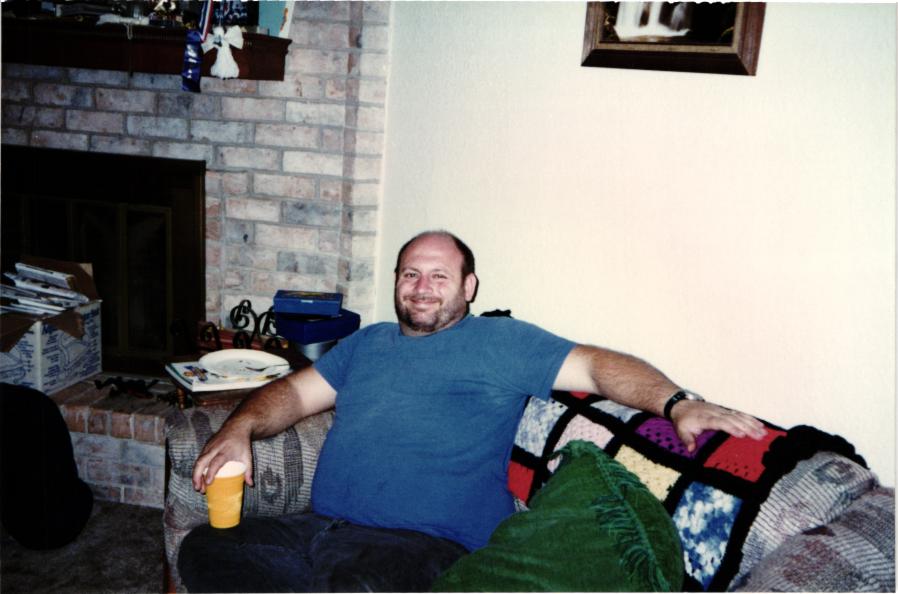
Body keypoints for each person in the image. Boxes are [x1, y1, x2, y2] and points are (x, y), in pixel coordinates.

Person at [178, 230, 767, 593]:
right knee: (206, 549)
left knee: (352, 587)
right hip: (318, 528)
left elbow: (596, 367)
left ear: (469, 287)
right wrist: (238, 428)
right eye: (411, 274)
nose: (422, 286)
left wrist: (677, 401)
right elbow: (293, 394)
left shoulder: (499, 342)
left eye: (439, 275)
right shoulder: (367, 343)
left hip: (420, 546)